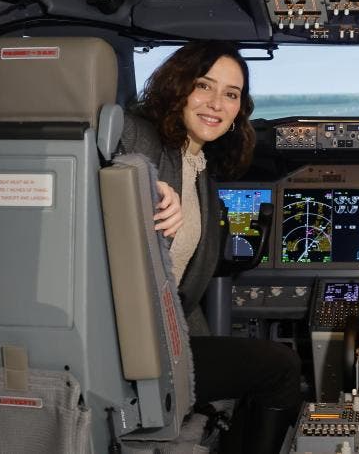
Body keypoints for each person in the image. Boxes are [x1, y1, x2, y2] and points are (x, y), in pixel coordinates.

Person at [122, 40, 301, 453]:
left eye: (231, 94)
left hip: (163, 339)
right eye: (204, 86)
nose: (216, 103)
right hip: (131, 344)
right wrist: (139, 178)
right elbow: (102, 145)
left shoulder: (199, 168)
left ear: (240, 109)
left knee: (250, 375)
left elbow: (182, 298)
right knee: (281, 367)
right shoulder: (144, 139)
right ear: (178, 87)